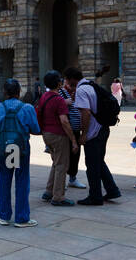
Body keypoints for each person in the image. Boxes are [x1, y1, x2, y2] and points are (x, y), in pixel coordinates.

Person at [0, 79, 41, 227]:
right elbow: (36, 129)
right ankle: (22, 218)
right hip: (21, 148)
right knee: (22, 181)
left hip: (3, 147)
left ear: (4, 92)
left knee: (4, 180)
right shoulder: (27, 108)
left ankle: (4, 216)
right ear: (19, 92)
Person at [75, 72, 122, 206]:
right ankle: (112, 190)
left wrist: (84, 134)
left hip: (94, 132)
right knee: (99, 161)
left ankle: (95, 196)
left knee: (92, 165)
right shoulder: (92, 86)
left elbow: (85, 112)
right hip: (104, 128)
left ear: (71, 79)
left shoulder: (81, 90)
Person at [36, 70, 77, 206]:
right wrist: (73, 140)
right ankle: (58, 196)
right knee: (62, 165)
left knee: (56, 163)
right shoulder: (59, 100)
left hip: (47, 134)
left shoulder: (44, 96)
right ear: (59, 83)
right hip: (58, 135)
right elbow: (64, 121)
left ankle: (49, 191)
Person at [59, 68, 88, 193]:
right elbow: (56, 105)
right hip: (66, 130)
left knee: (75, 155)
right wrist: (64, 102)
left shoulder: (75, 91)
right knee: (65, 156)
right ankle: (62, 180)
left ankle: (72, 178)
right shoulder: (61, 92)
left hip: (76, 130)